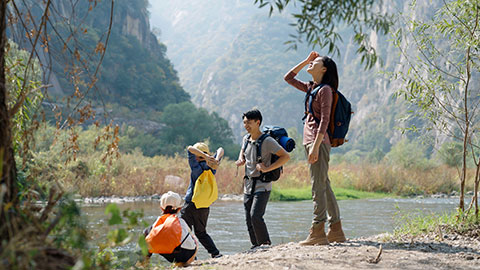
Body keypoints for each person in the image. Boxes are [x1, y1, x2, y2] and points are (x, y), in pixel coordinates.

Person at [284, 51, 346, 245]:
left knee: (317, 186)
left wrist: (315, 146)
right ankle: (336, 230)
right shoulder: (312, 88)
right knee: (324, 184)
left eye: (315, 62)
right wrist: (306, 61)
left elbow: (325, 120)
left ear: (324, 69)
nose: (311, 64)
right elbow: (288, 77)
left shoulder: (325, 90)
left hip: (317, 142)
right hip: (311, 141)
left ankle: (317, 231)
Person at [235, 109, 290, 249]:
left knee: (255, 216)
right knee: (248, 218)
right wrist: (241, 159)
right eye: (244, 122)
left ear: (257, 122)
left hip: (263, 185)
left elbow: (285, 156)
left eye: (249, 123)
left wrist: (267, 168)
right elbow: (243, 151)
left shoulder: (268, 141)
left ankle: (265, 244)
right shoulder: (246, 139)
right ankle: (255, 246)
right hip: (248, 184)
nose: (246, 125)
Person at [180, 142, 224, 258]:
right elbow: (220, 148)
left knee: (184, 231)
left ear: (197, 155)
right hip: (204, 206)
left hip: (191, 204)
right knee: (201, 232)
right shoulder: (212, 166)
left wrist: (204, 156)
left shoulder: (196, 167)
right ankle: (215, 253)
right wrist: (216, 159)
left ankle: (191, 256)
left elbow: (189, 148)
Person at [143, 191, 198, 267]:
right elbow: (189, 240)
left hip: (166, 253)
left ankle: (144, 263)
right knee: (193, 238)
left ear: (161, 208)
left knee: (146, 232)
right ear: (179, 208)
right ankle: (185, 263)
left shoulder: (158, 221)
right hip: (183, 255)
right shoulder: (181, 221)